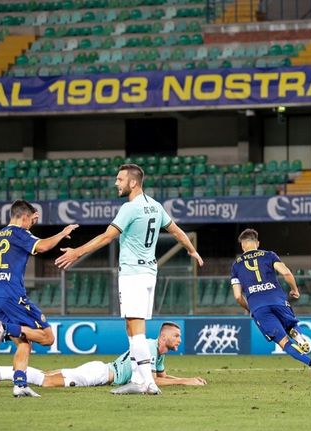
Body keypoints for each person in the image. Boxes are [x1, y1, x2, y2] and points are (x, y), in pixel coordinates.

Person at [55, 164, 203, 395]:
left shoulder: (129, 208)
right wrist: (192, 250)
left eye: (120, 179)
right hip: (148, 274)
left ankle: (147, 383)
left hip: (133, 273)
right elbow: (177, 231)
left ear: (133, 183)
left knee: (137, 330)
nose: (116, 183)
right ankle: (137, 378)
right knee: (132, 328)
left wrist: (77, 252)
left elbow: (107, 237)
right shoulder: (155, 206)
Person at [0, 200, 78, 397]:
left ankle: (20, 384)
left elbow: (21, 241)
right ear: (24, 217)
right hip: (13, 295)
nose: (31, 224)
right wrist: (63, 233)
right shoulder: (19, 233)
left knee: (24, 342)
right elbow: (43, 246)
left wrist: (29, 226)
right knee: (48, 337)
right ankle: (4, 328)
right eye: (30, 221)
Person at [0, 322, 206, 390]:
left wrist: (185, 378)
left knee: (49, 377)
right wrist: (187, 381)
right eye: (176, 336)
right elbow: (154, 381)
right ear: (164, 337)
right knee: (48, 381)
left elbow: (160, 376)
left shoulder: (158, 352)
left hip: (103, 372)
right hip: (101, 373)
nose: (179, 340)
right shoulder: (147, 345)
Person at [230, 228, 311, 376]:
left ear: (242, 245)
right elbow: (286, 272)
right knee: (291, 325)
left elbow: (237, 296)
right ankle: (297, 335)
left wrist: (250, 308)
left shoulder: (236, 265)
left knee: (284, 342)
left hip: (258, 307)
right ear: (257, 243)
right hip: (278, 300)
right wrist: (295, 289)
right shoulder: (269, 255)